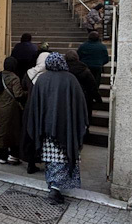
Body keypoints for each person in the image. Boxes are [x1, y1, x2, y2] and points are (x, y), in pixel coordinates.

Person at [24, 53, 88, 204]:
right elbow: (80, 104)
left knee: (51, 159)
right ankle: (55, 189)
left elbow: (35, 105)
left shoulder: (42, 79)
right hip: (66, 129)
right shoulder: (70, 79)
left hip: (46, 129)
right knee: (63, 157)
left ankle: (53, 186)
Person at [0, 57, 25, 166]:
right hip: (11, 109)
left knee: (1, 132)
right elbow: (18, 94)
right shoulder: (14, 78)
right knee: (13, 132)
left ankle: (2, 157)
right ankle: (13, 156)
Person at [64, 50, 100, 119]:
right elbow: (92, 85)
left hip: (68, 96)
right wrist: (97, 98)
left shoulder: (63, 70)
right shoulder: (84, 69)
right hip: (84, 96)